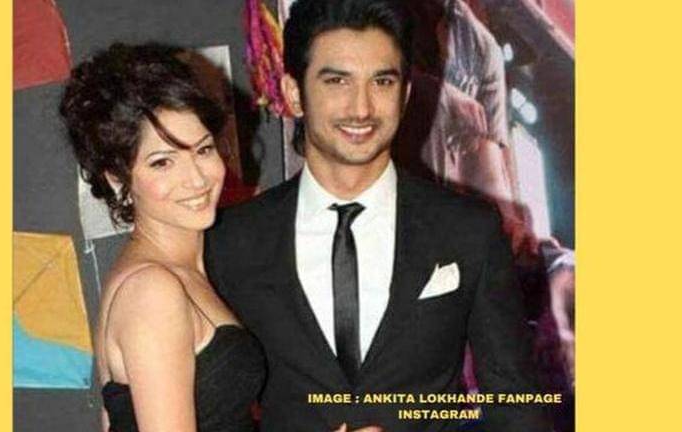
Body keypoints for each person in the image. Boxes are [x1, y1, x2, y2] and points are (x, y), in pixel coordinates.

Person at [206, 1, 551, 431]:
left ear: (404, 95)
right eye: (337, 81)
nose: (362, 108)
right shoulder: (232, 241)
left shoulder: (467, 230)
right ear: (294, 93)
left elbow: (518, 408)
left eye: (382, 81)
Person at [59, 43, 265, 432]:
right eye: (163, 162)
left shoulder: (171, 273)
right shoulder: (153, 290)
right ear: (117, 178)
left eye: (203, 149)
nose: (197, 179)